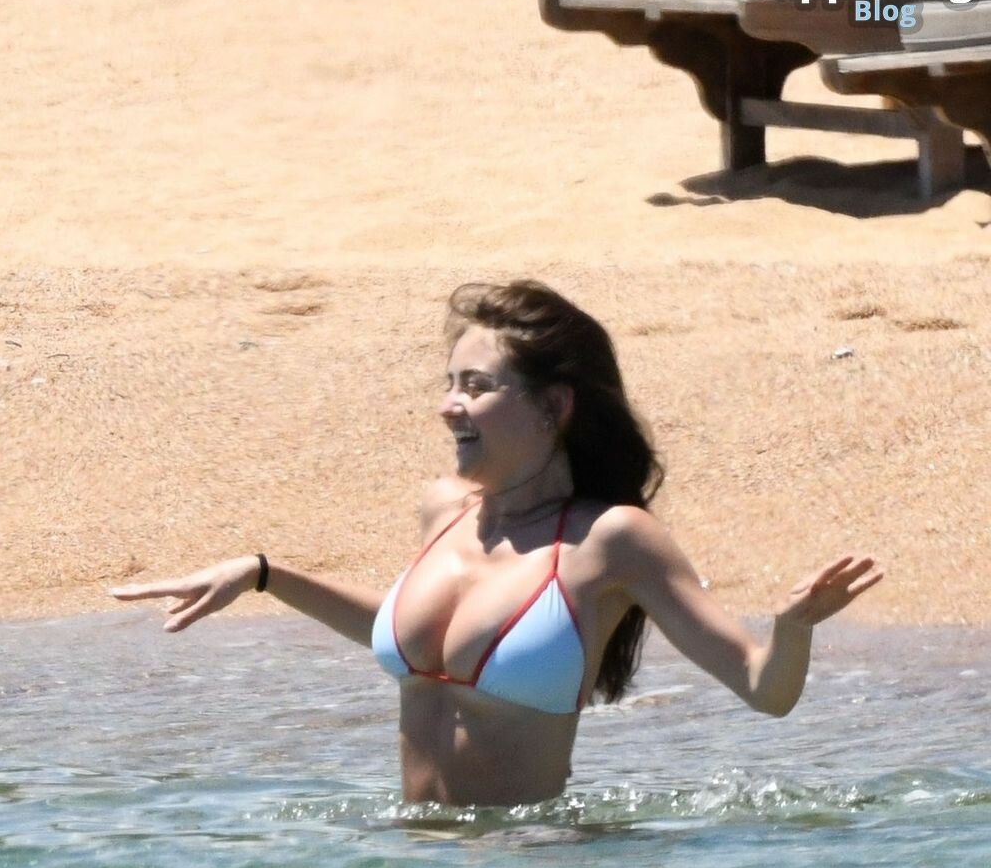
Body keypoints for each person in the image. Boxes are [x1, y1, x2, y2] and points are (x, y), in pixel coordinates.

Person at [113, 280, 882, 807]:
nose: (449, 406)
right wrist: (264, 574)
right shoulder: (444, 510)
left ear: (553, 406)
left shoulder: (611, 541)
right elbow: (414, 634)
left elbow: (764, 690)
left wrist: (792, 629)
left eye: (476, 386)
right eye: (449, 383)